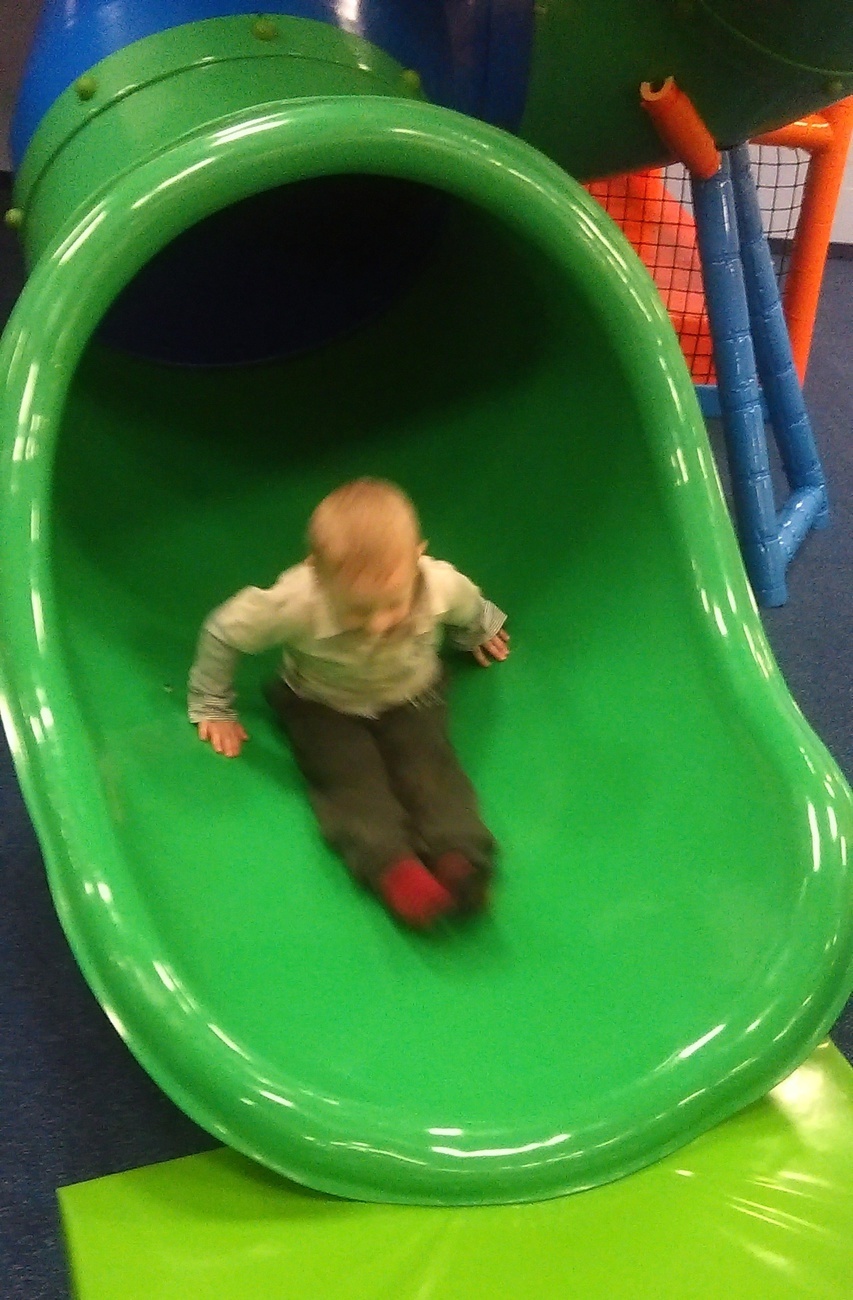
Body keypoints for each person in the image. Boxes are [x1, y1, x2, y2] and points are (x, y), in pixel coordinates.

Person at [188, 478, 509, 928]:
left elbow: (468, 602)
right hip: (322, 705)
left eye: (393, 604)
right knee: (351, 781)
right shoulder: (295, 602)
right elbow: (224, 631)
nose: (377, 624)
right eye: (358, 610)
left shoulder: (438, 584)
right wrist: (213, 704)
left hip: (413, 695)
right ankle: (392, 866)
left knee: (430, 766)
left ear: (417, 556)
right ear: (315, 572)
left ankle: (460, 854)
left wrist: (481, 629)